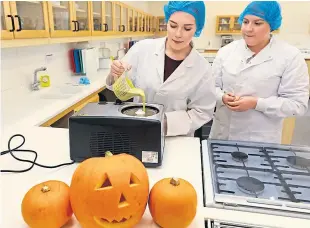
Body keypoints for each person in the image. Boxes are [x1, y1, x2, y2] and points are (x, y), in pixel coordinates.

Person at [106, 1, 216, 137]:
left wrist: (163, 123)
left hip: (176, 138)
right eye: (173, 25)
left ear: (197, 28)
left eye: (187, 28)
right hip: (138, 131)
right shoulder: (142, 49)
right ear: (167, 22)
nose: (178, 34)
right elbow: (121, 91)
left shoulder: (202, 68)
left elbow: (202, 112)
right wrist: (116, 74)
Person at [209, 1, 309, 144]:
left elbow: (297, 105)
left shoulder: (290, 57)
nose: (248, 29)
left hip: (261, 140)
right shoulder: (226, 52)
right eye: (245, 22)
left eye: (257, 23)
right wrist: (222, 97)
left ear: (271, 26)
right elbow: (210, 88)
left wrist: (256, 103)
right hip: (222, 135)